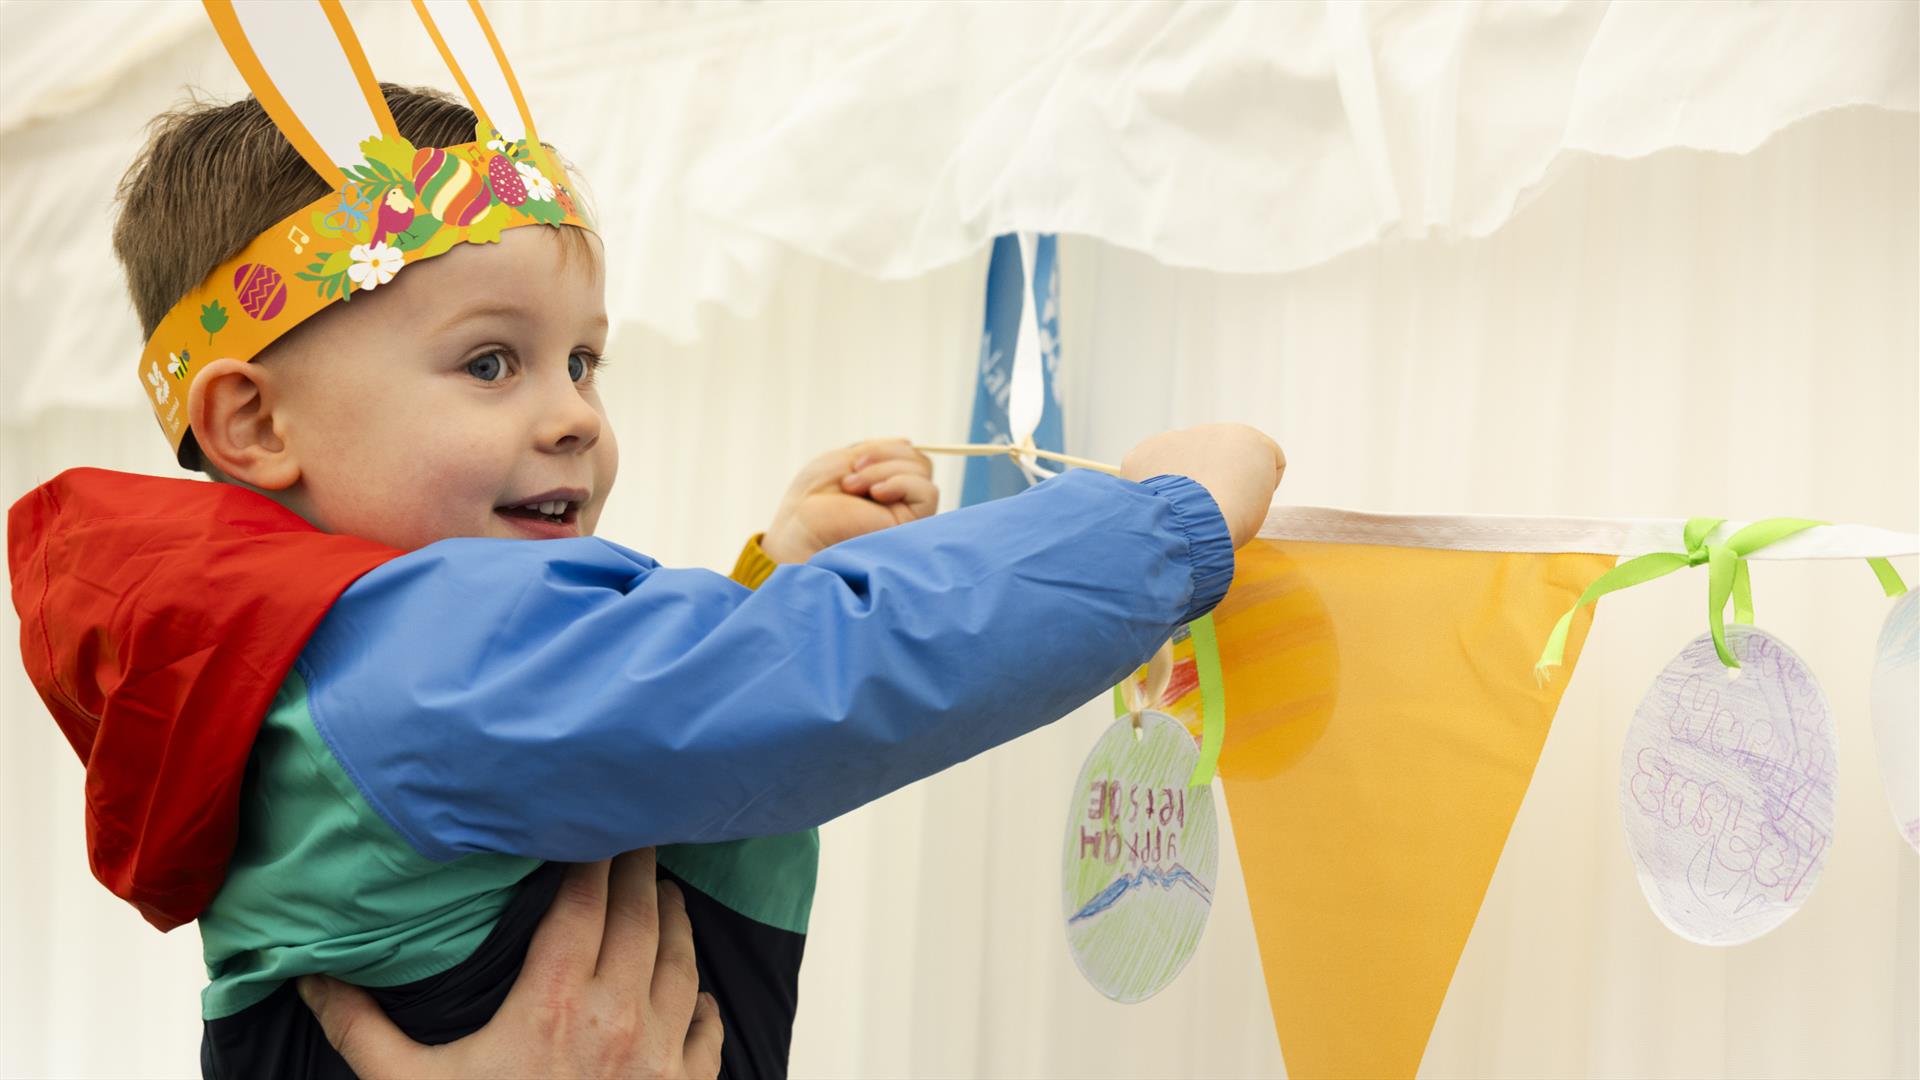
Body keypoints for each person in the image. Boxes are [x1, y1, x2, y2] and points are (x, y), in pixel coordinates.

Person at [8, 82, 1283, 1078]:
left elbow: (647, 730)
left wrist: (772, 576)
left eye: (584, 364)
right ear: (254, 426)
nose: (572, 416)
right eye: (492, 364)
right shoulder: (410, 656)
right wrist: (1160, 528)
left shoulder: (314, 656)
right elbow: (816, 685)